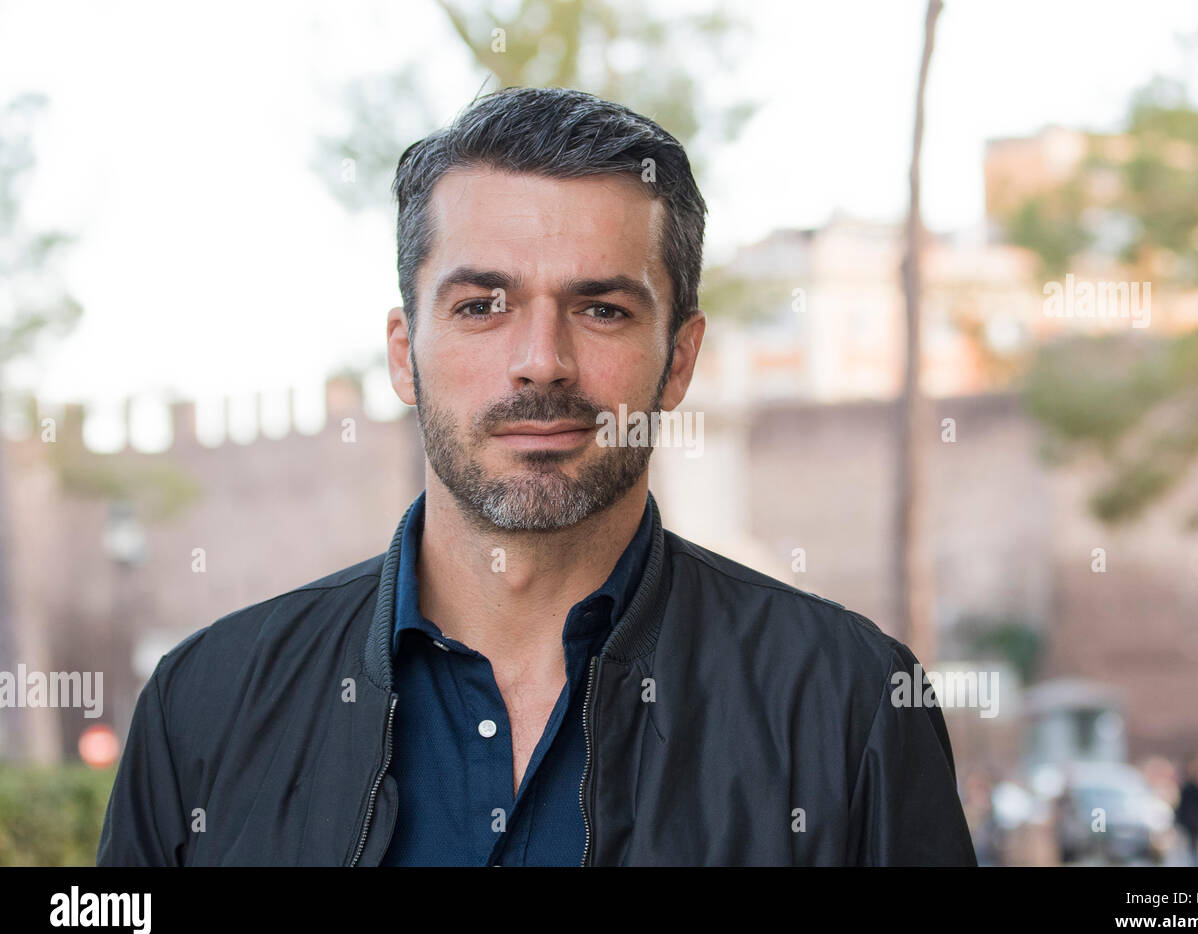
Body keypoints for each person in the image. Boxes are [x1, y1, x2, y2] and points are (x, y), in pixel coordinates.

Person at [96, 86, 977, 867]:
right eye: (482, 306)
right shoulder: (203, 706)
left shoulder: (850, 707)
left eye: (601, 308)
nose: (541, 362)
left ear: (679, 360)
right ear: (406, 357)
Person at [1174, 755, 1198, 866]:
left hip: (1197, 823)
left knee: (1196, 848)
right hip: (1190, 823)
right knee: (1191, 848)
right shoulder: (1187, 788)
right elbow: (1182, 805)